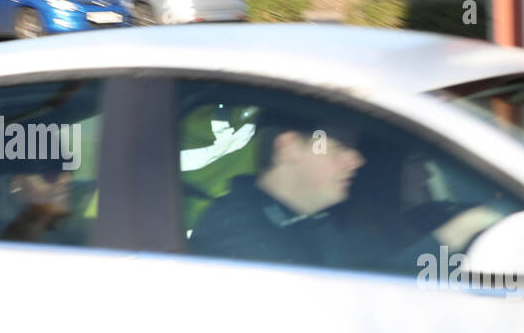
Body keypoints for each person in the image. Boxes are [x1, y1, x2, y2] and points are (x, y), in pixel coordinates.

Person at [188, 112, 502, 271]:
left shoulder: (317, 221)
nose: (357, 159)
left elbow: (383, 275)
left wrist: (455, 234)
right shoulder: (236, 233)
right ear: (287, 148)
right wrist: (455, 234)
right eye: (339, 145)